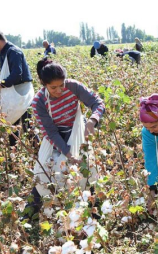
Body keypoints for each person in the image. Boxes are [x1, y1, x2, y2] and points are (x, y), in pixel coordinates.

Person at [23, 58, 105, 219]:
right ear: (43, 84)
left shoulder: (73, 86)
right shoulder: (39, 102)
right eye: (53, 87)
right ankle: (29, 212)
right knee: (44, 172)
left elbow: (97, 102)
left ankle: (95, 209)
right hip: (56, 137)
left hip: (77, 131)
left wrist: (92, 120)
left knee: (87, 167)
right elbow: (51, 132)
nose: (59, 90)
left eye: (61, 85)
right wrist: (68, 154)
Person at [0, 27, 34, 148]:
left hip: (22, 94)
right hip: (13, 94)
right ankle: (14, 161)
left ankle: (40, 157)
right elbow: (3, 74)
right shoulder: (3, 53)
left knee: (27, 127)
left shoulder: (13, 52)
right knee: (12, 126)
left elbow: (17, 75)